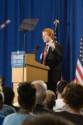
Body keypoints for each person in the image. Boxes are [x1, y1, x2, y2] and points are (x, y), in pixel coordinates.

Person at [41, 28, 63, 92]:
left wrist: (54, 49)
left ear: (50, 36)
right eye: (42, 36)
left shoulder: (56, 45)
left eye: (44, 35)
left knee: (53, 93)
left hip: (53, 76)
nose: (43, 37)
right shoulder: (45, 47)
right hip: (45, 74)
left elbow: (60, 58)